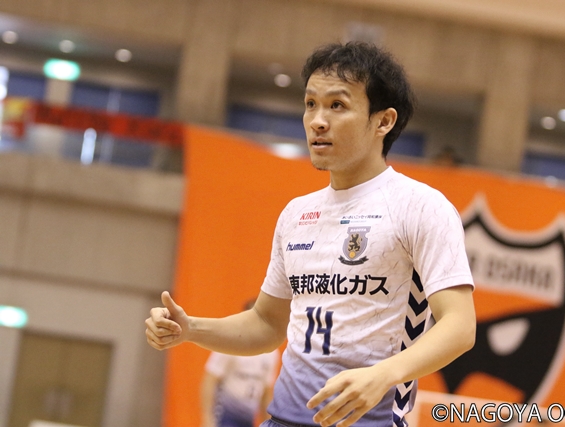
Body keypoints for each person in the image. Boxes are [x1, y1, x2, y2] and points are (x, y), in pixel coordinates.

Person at [146, 42, 476, 427]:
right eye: (310, 104)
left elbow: (459, 326)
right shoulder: (296, 214)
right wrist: (190, 329)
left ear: (383, 121)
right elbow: (267, 324)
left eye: (337, 105)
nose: (318, 120)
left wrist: (385, 374)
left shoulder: (421, 207)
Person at [201, 299, 279, 427]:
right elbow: (210, 380)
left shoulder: (271, 352)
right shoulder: (230, 343)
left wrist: (268, 422)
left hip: (247, 418)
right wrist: (207, 419)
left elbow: (266, 392)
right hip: (225, 416)